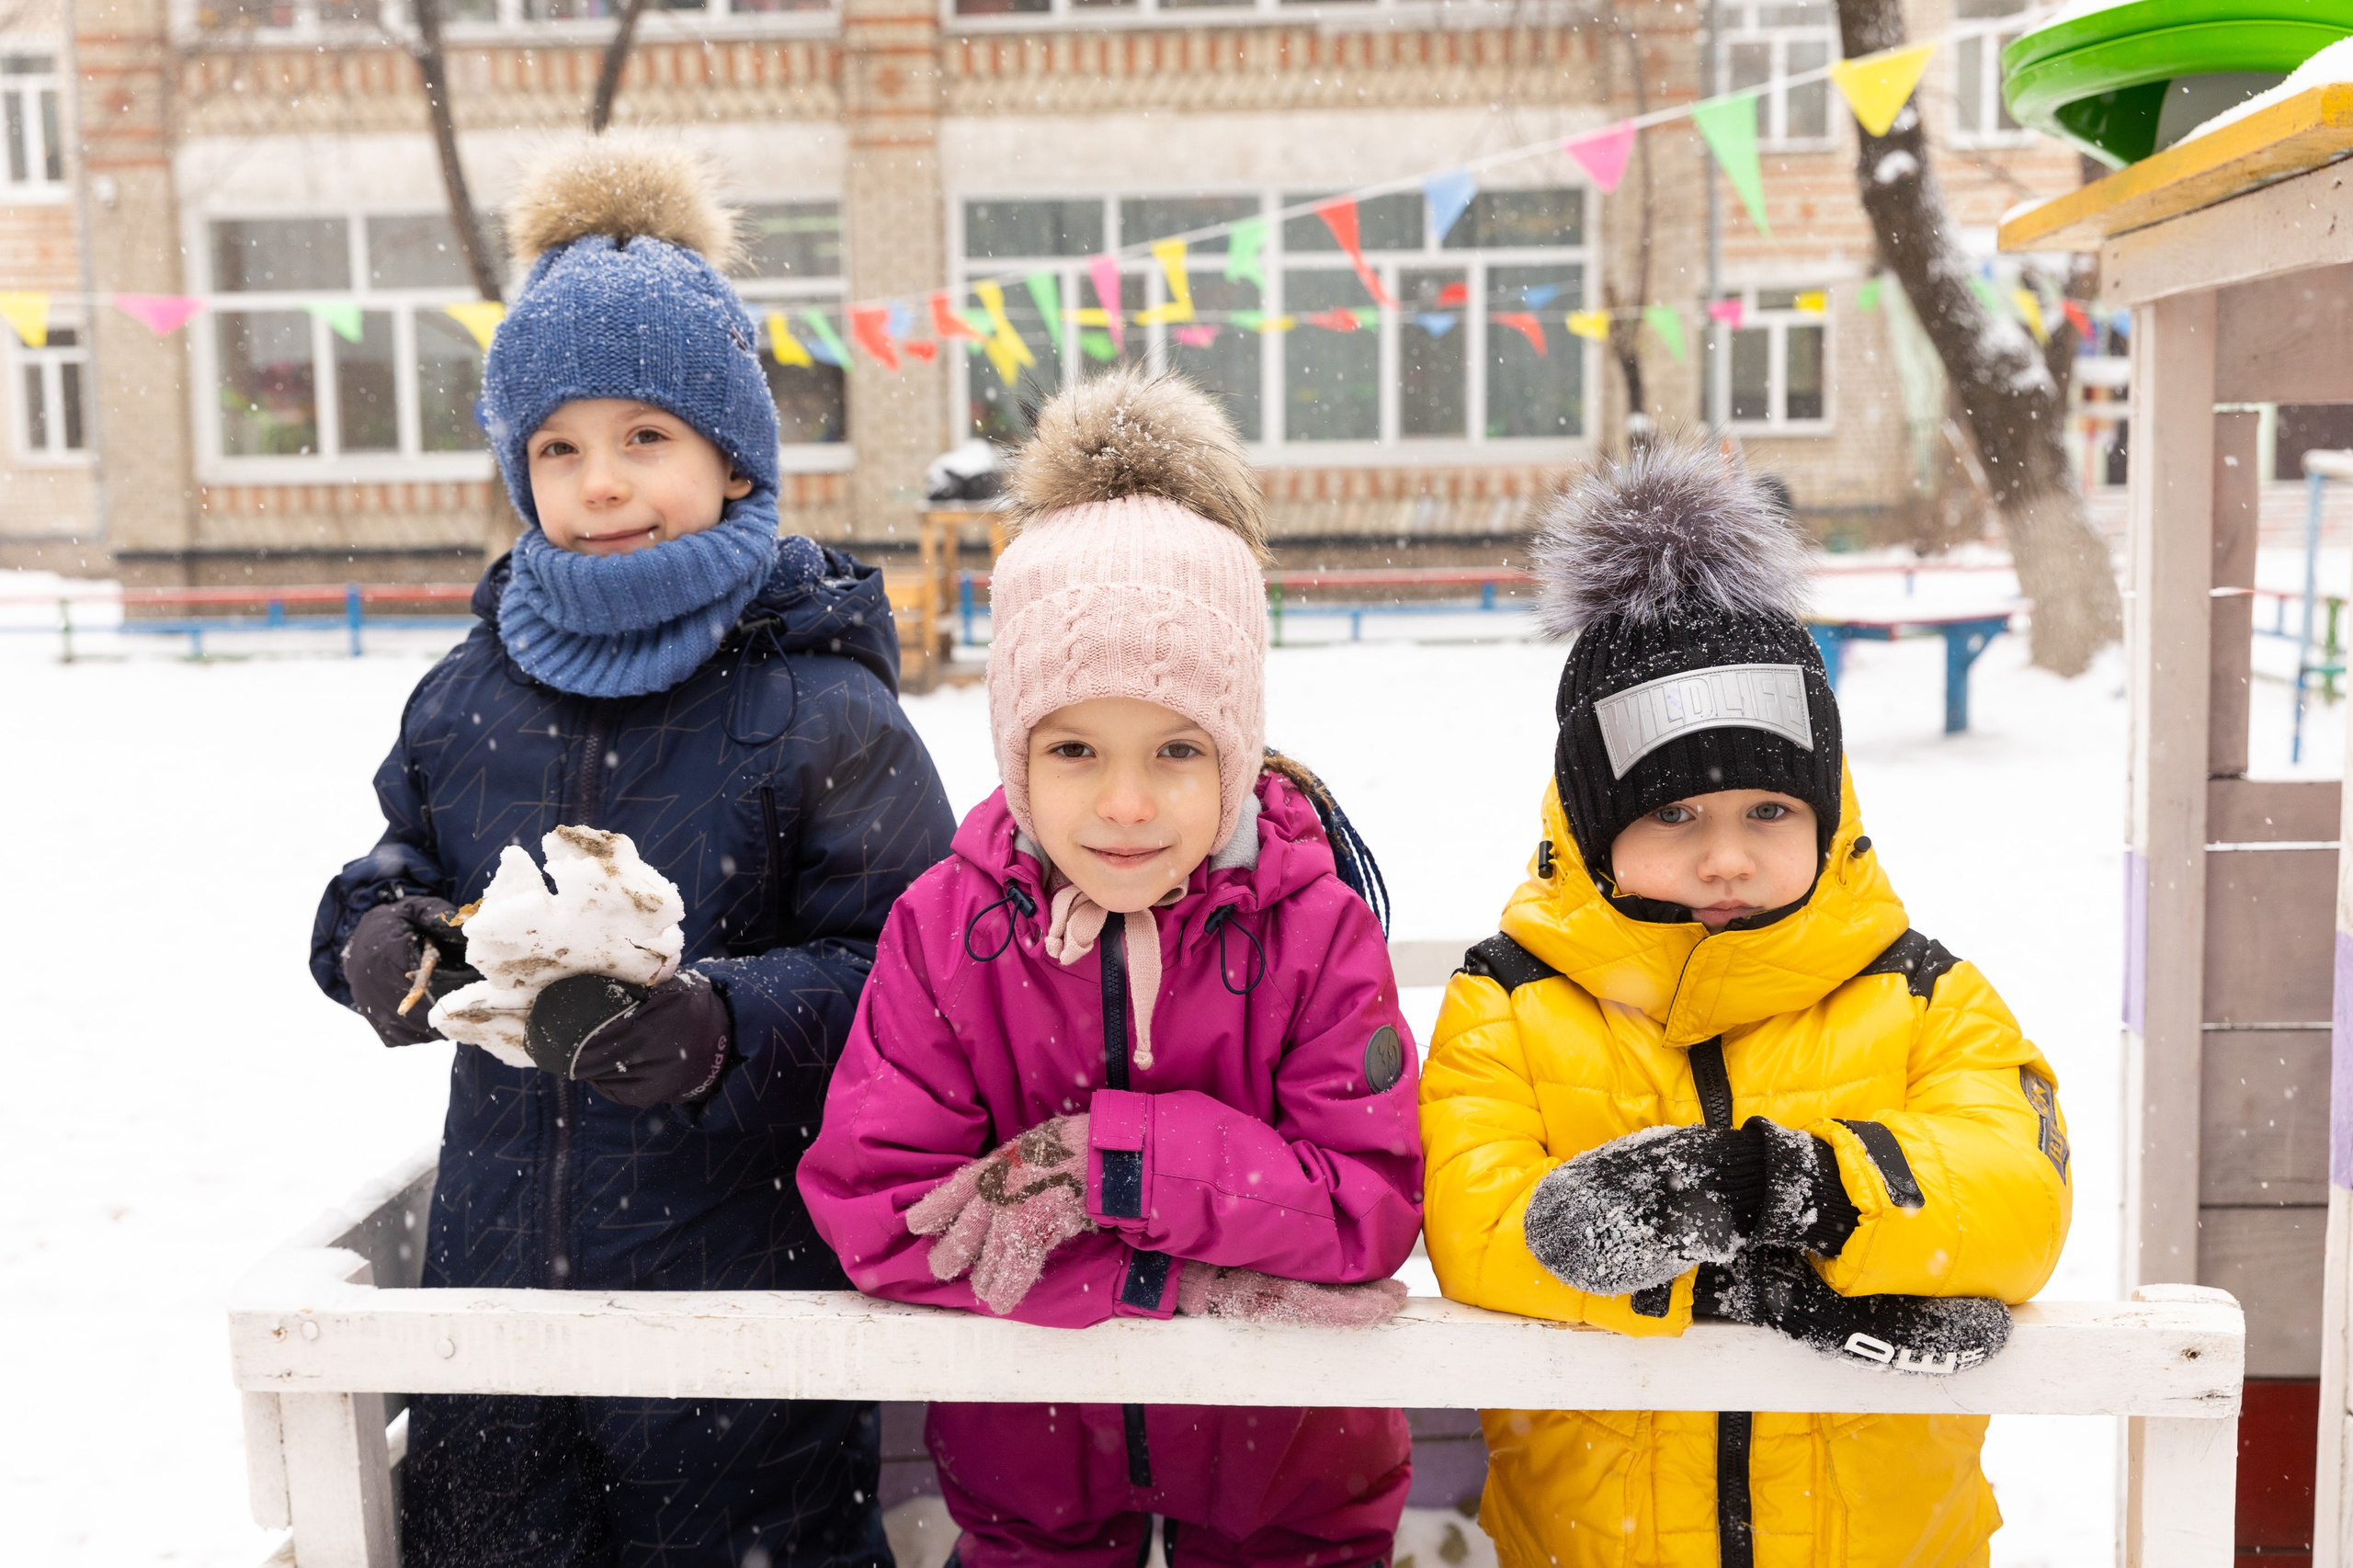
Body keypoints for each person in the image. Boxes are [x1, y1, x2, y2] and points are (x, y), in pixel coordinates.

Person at [308, 136, 956, 1568]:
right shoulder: (466, 692)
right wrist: (375, 935)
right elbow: (391, 863)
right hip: (491, 1318)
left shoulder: (819, 704)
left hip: (737, 1311)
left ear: (733, 460)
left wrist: (727, 1023)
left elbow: (918, 971)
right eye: (558, 446)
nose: (600, 484)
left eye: (645, 437)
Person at [799, 367, 1423, 1568]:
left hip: (1291, 1464)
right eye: (1076, 745)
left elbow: (1369, 1204)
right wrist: (1163, 1281)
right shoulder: (949, 932)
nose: (1126, 802)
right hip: (1030, 1470)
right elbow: (881, 1209)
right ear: (1014, 743)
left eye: (1177, 748)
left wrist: (1109, 1166)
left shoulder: (1312, 929)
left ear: (1236, 752)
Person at [1419, 438, 2072, 1568]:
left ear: (1825, 812)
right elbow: (1477, 1221)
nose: (1725, 857)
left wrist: (1809, 1187)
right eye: (1673, 816)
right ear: (1590, 826)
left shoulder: (1919, 990)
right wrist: (1720, 1275)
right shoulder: (1510, 1000)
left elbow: (2018, 1193)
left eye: (1768, 809)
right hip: (1595, 1539)